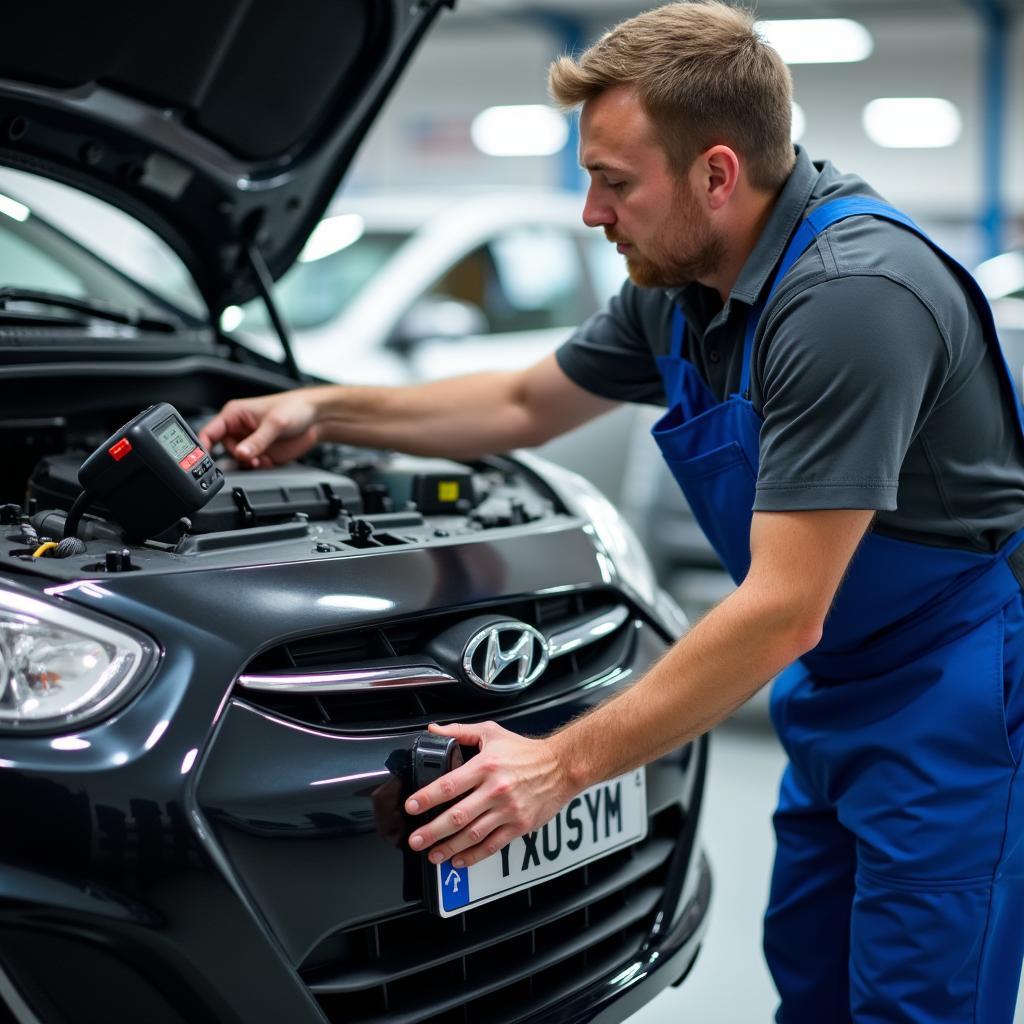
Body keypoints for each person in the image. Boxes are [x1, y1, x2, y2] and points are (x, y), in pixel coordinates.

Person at [199, 3, 1024, 1020]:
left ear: (717, 174)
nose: (592, 212)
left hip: (952, 684)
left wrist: (556, 765)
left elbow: (781, 608)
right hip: (839, 677)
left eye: (614, 182)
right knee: (810, 971)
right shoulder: (677, 284)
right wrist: (323, 409)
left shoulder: (851, 298)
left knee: (916, 997)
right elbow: (520, 402)